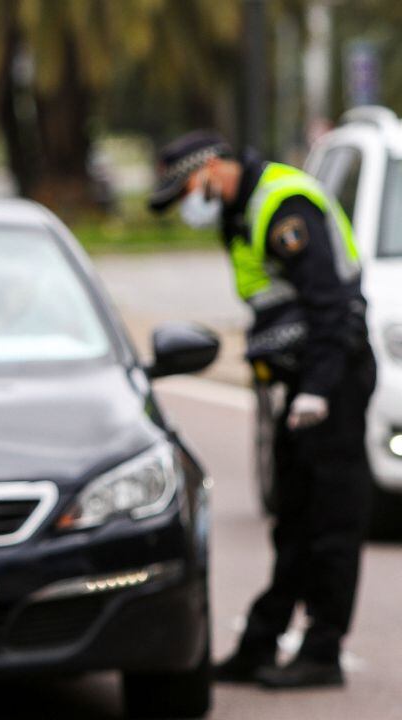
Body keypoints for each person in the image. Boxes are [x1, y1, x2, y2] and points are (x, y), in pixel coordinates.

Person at [149, 131, 376, 689]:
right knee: (293, 520)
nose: (187, 205)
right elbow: (276, 306)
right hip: (296, 384)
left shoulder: (282, 204)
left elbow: (332, 309)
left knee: (331, 521)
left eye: (187, 191)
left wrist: (318, 391)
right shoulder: (240, 212)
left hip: (332, 381)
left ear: (212, 169)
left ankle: (323, 652)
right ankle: (261, 642)